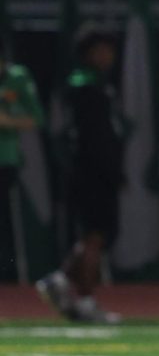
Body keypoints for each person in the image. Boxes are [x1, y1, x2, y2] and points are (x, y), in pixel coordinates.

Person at [36, 26, 124, 324]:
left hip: (94, 170)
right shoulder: (85, 86)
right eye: (101, 50)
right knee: (93, 239)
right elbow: (92, 137)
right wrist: (108, 169)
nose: (108, 56)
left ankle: (59, 280)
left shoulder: (98, 84)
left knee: (94, 237)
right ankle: (86, 300)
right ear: (88, 53)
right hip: (91, 170)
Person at [0, 44, 45, 279]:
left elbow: (36, 118)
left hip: (5, 158)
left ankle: (7, 273)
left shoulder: (18, 77)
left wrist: (8, 122)